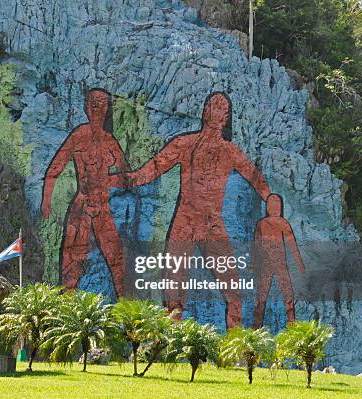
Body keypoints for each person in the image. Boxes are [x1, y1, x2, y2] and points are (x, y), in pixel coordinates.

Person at [112, 92, 271, 328]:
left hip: (212, 222)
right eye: (210, 105)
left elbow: (257, 180)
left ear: (226, 117)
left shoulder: (231, 152)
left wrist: (273, 205)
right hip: (185, 219)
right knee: (173, 289)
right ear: (204, 111)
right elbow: (151, 170)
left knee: (233, 292)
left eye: (220, 107)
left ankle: (236, 350)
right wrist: (119, 180)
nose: (213, 109)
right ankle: (171, 343)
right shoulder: (184, 144)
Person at [41, 88, 130, 297]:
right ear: (86, 107)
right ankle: (64, 311)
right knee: (71, 262)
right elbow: (54, 168)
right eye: (93, 102)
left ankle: (128, 316)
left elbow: (126, 176)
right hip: (81, 206)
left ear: (107, 108)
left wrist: (108, 179)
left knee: (117, 261)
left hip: (103, 207)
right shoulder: (78, 135)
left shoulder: (110, 141)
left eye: (101, 103)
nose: (97, 107)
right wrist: (46, 201)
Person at [251, 194, 306, 328]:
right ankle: (256, 330)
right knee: (261, 299)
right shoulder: (262, 224)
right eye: (272, 205)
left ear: (281, 207)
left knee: (288, 297)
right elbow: (256, 246)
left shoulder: (283, 223)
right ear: (268, 207)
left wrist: (300, 265)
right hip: (266, 264)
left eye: (277, 205)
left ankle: (292, 328)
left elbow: (292, 244)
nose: (275, 208)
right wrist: (252, 265)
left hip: (280, 264)